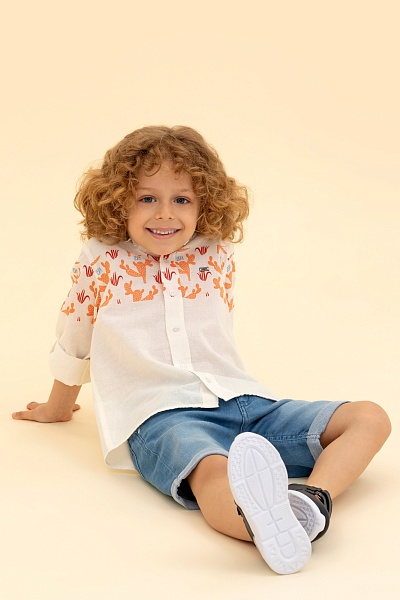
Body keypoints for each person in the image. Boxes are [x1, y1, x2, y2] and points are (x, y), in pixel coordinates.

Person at [12, 126, 391, 574]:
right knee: (213, 470)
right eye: (147, 198)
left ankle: (311, 501)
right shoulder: (102, 259)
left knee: (370, 417)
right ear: (118, 200)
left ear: (204, 204)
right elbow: (76, 334)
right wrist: (58, 407)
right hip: (161, 415)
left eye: (182, 199)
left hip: (245, 401)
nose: (165, 214)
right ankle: (260, 525)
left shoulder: (216, 254)